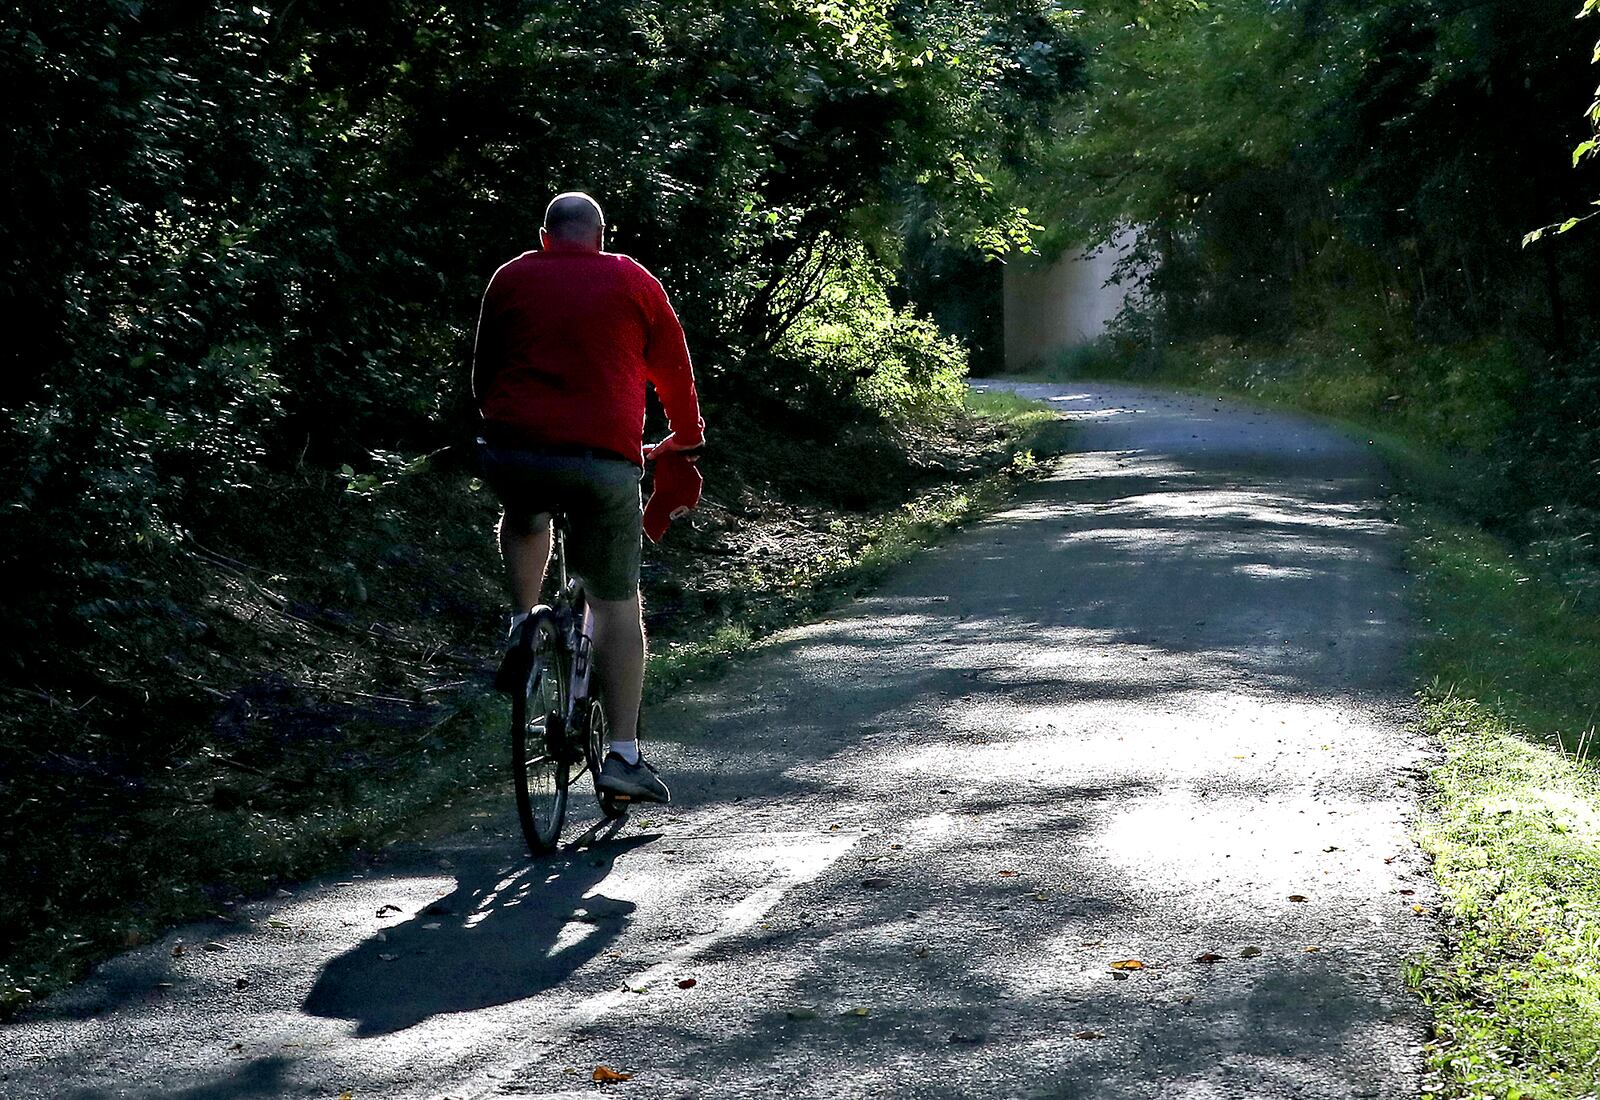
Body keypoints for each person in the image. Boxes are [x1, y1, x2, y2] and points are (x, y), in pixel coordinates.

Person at [471, 191, 704, 804]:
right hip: (604, 462)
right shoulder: (631, 279)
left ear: (545, 235)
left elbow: (484, 368)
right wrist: (685, 437)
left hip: (517, 450)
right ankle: (623, 756)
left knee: (523, 514)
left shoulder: (511, 276)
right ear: (601, 236)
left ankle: (523, 622)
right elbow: (673, 367)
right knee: (617, 603)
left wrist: (500, 426)